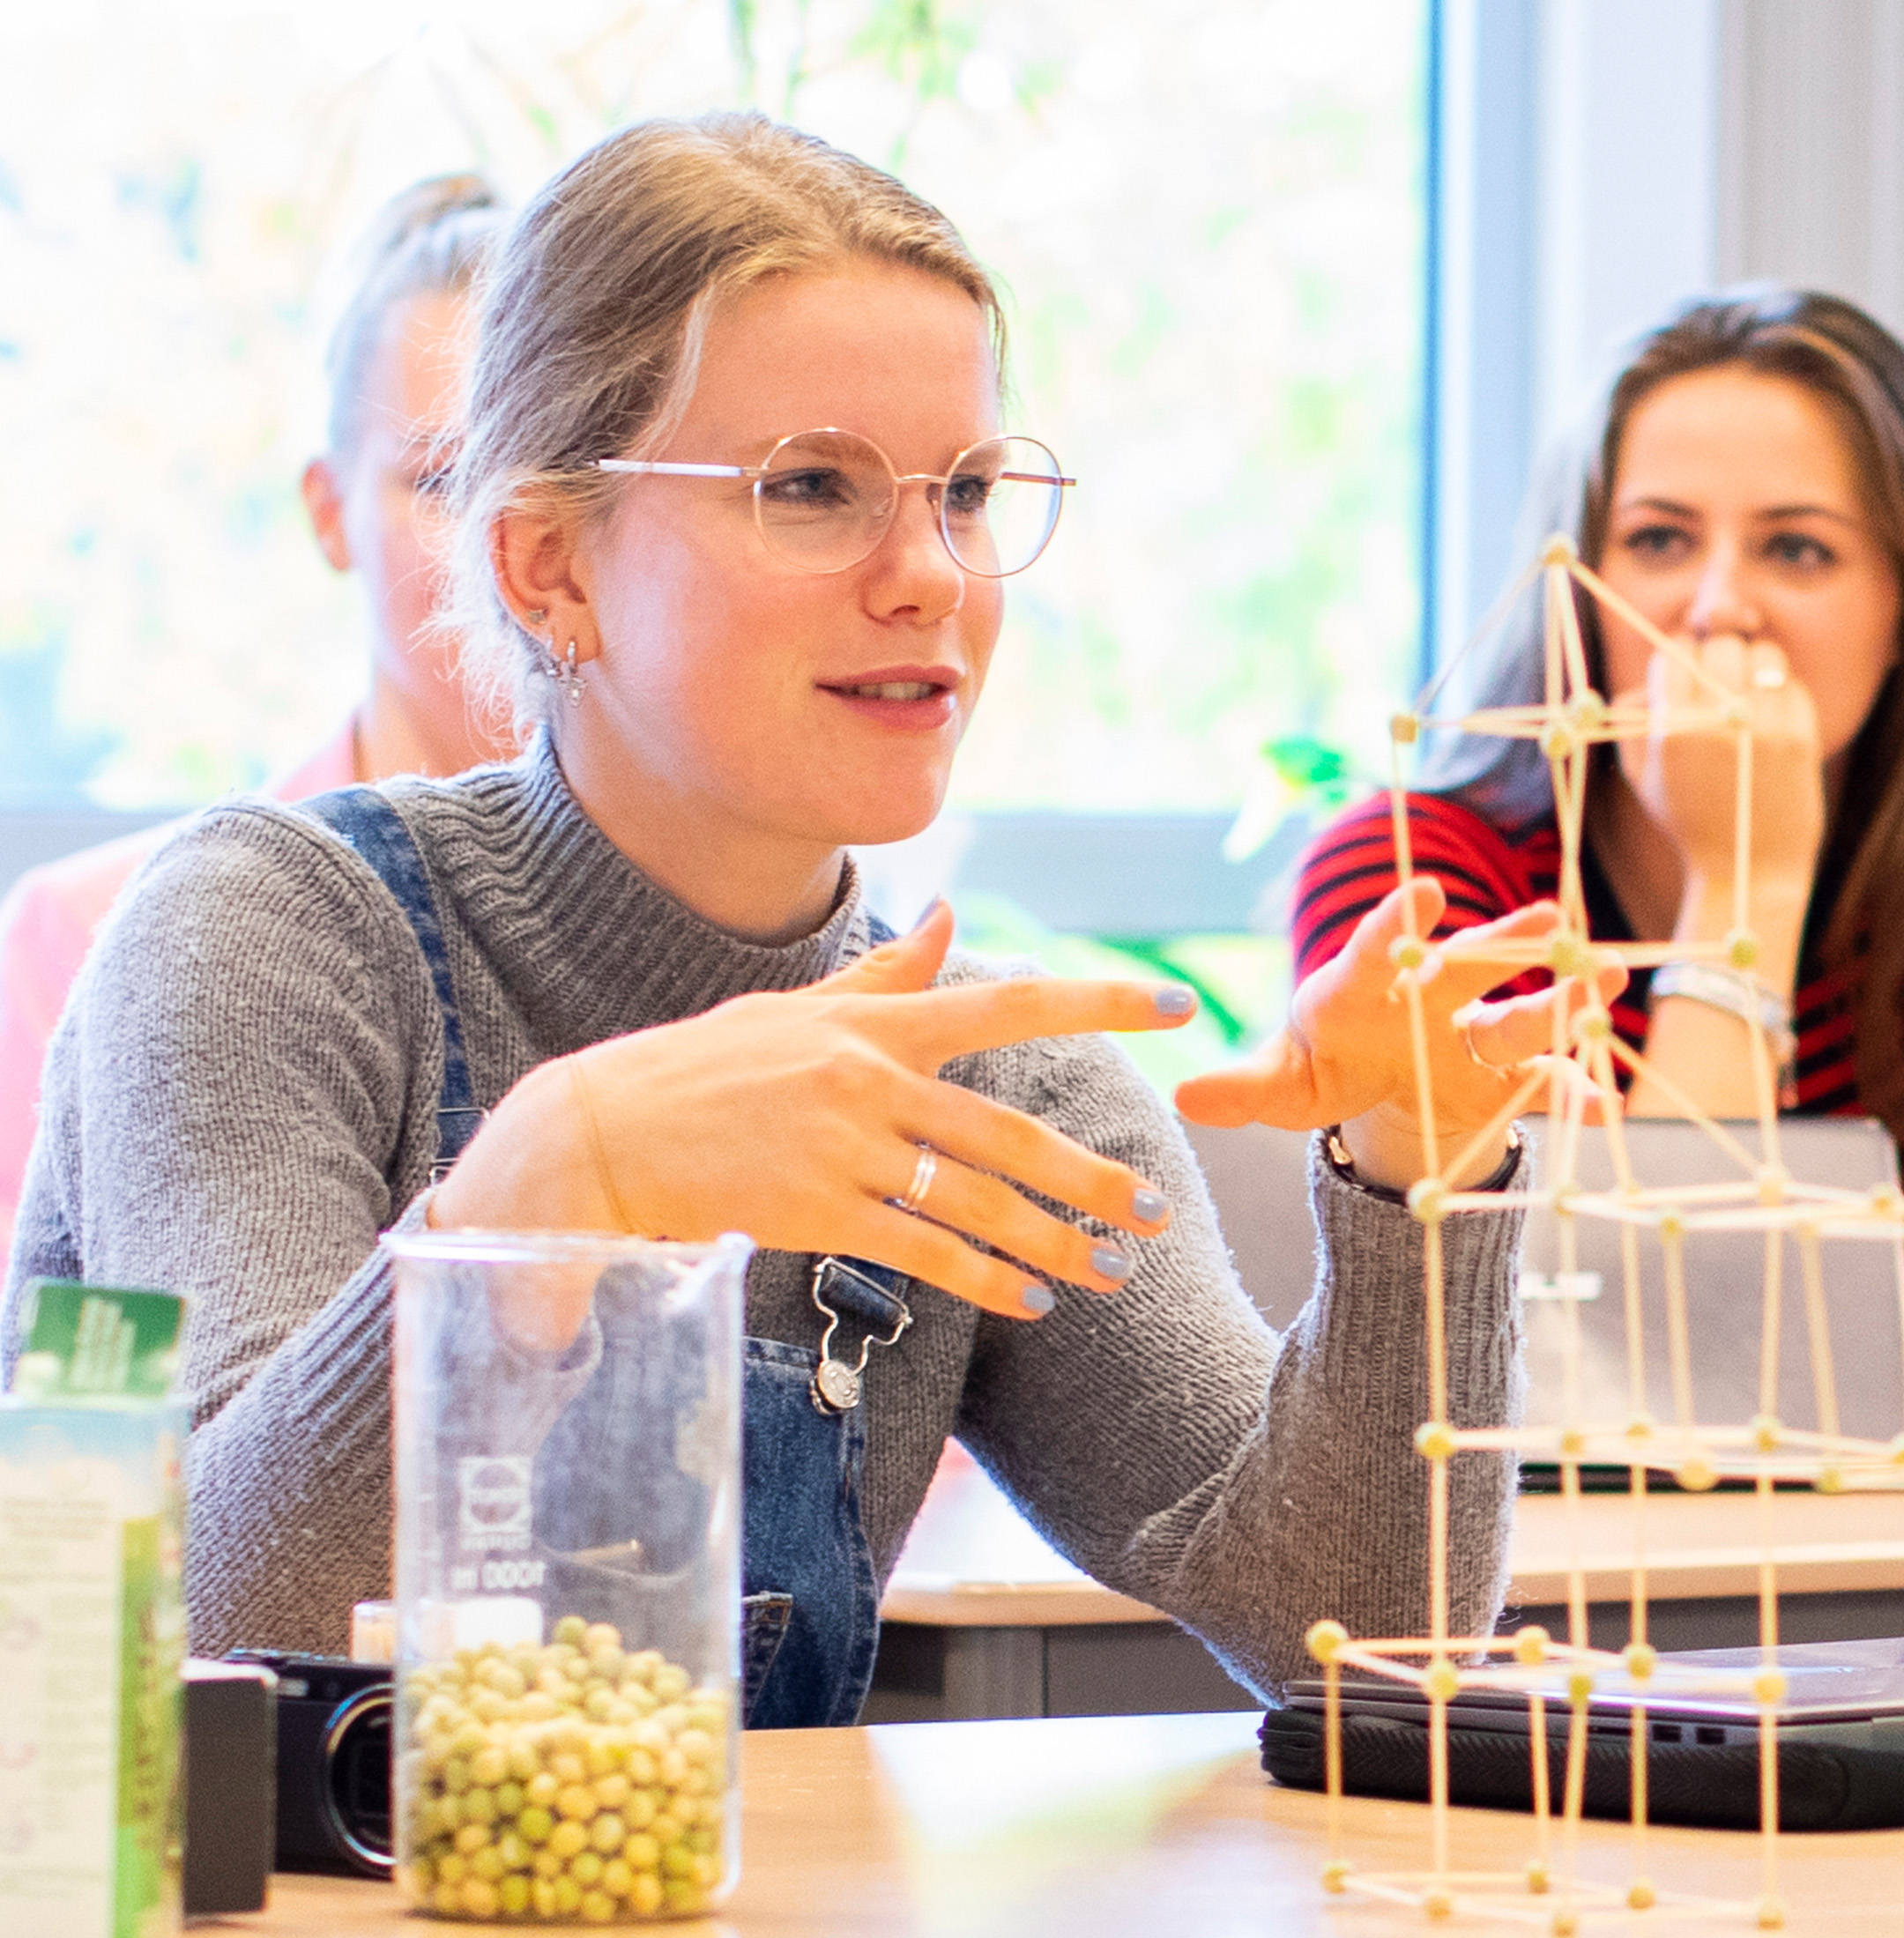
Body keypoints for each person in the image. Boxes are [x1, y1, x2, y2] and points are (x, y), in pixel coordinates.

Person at [5, 115, 1598, 1719]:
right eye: (813, 487)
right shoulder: (261, 934)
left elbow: (1354, 1627)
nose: (929, 578)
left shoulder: (991, 1076)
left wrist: (1415, 1192)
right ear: (550, 565)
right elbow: (197, 1618)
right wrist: (567, 1177)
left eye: (967, 491)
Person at [0, 173, 515, 1257]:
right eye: (442, 481)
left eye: (552, 480)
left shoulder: (737, 942)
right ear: (331, 512)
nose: (506, 548)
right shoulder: (94, 936)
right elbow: (67, 1407)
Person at [1294, 286, 1904, 1134]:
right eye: (1659, 539)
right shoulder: (1415, 883)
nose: (1717, 608)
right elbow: (1593, 1267)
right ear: (1580, 585)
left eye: (1797, 549)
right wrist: (1742, 887)